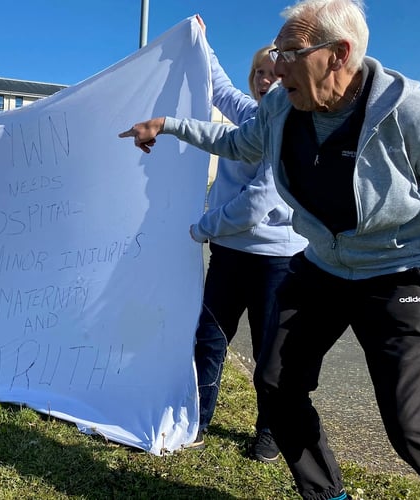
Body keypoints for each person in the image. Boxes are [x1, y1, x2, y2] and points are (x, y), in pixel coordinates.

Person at [119, 1, 420, 498]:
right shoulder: (281, 108)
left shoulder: (410, 113)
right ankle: (326, 495)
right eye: (277, 51)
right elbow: (238, 142)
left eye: (290, 53)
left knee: (408, 424)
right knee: (276, 385)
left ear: (339, 54)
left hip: (399, 272)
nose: (278, 66)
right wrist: (168, 124)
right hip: (323, 266)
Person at [187, 15, 308, 464]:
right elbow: (217, 88)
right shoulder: (250, 116)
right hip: (230, 255)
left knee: (269, 351)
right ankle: (197, 419)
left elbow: (258, 203)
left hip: (278, 259)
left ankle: (268, 430)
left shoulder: (293, 129)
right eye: (260, 73)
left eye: (277, 75)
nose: (268, 81)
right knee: (209, 338)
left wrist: (203, 226)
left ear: (291, 81)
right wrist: (201, 38)